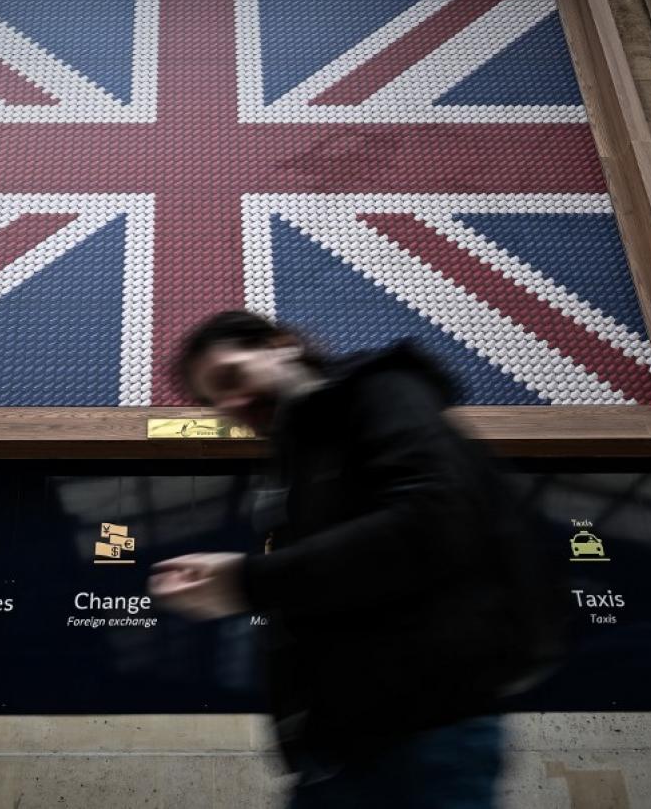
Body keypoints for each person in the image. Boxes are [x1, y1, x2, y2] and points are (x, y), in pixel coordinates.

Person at [148, 311, 566, 809]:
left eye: (231, 377)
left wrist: (246, 581)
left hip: (424, 738)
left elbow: (432, 521)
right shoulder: (300, 462)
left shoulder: (381, 390)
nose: (231, 405)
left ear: (282, 345)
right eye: (214, 402)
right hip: (336, 755)